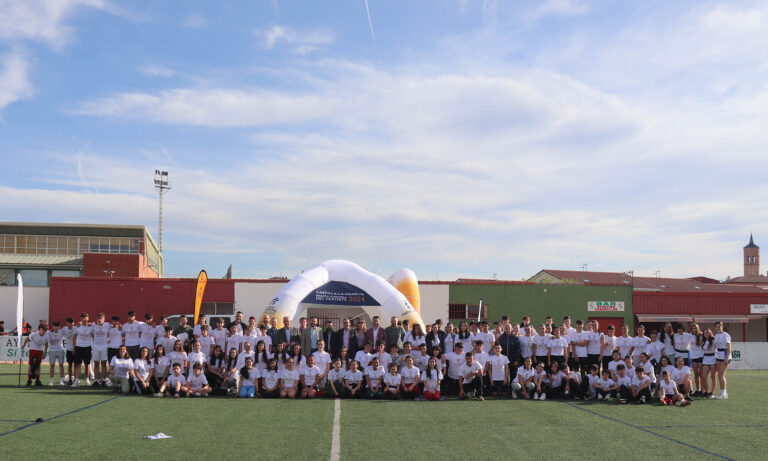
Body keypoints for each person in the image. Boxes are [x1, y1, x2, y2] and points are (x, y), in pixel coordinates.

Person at [71, 312, 94, 387]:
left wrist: (95, 346)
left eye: (85, 317)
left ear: (88, 318)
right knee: (78, 365)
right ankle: (77, 381)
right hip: (78, 347)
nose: (84, 319)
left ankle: (87, 380)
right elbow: (74, 337)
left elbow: (94, 336)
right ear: (80, 319)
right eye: (82, 318)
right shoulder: (77, 327)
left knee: (87, 364)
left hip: (87, 347)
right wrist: (74, 348)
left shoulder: (91, 326)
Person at [91, 312, 111, 387]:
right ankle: (96, 380)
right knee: (96, 364)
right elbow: (91, 333)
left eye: (101, 318)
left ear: (104, 319)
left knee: (103, 364)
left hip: (104, 347)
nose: (99, 320)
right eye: (98, 318)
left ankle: (103, 379)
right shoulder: (93, 325)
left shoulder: (108, 325)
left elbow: (115, 327)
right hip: (96, 347)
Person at [44, 321, 66, 386]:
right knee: (52, 365)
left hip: (60, 350)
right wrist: (45, 352)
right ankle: (51, 381)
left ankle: (61, 381)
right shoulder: (48, 332)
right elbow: (46, 342)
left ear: (60, 326)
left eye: (57, 326)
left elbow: (71, 328)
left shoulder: (62, 331)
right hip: (52, 350)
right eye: (54, 326)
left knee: (61, 365)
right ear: (52, 326)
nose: (56, 328)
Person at [713, 321, 731, 399]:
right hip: (719, 355)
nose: (717, 328)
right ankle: (723, 393)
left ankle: (723, 392)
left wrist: (726, 358)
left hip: (724, 355)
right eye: (716, 327)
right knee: (722, 375)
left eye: (719, 326)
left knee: (720, 374)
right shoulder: (716, 335)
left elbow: (729, 347)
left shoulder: (725, 335)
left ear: (722, 326)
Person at [701, 328, 717, 398]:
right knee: (704, 377)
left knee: (713, 377)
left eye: (707, 332)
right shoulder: (703, 341)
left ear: (710, 333)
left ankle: (712, 392)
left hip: (713, 358)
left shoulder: (714, 340)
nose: (706, 334)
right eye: (704, 332)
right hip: (705, 359)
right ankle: (706, 392)